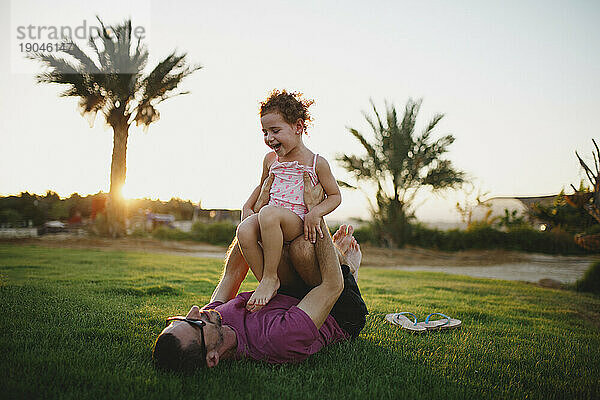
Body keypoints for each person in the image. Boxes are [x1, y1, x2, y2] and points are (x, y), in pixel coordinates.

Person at [152, 174, 367, 370]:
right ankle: (348, 265)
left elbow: (233, 272)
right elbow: (332, 286)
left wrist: (252, 218)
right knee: (302, 249)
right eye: (193, 323)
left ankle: (334, 257)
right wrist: (315, 211)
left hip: (292, 296)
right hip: (339, 311)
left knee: (287, 245)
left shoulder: (213, 317)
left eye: (182, 318)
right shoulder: (276, 339)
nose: (195, 310)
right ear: (212, 358)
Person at [237, 89, 342, 311]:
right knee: (244, 230)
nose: (269, 138)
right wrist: (247, 206)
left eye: (275, 130)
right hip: (271, 220)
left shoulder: (316, 163)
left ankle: (270, 277)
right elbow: (262, 184)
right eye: (264, 132)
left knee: (268, 213)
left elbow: (335, 196)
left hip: (297, 222)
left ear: (298, 127)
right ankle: (270, 284)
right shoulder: (270, 159)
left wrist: (316, 213)